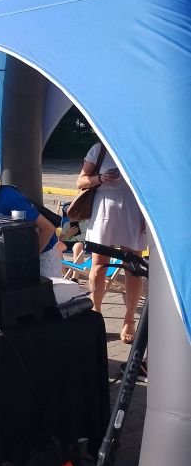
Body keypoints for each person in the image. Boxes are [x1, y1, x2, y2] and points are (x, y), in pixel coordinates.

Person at [76, 142, 146, 342]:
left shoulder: (139, 147)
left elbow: (151, 184)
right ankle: (96, 315)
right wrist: (100, 178)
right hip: (103, 210)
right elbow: (80, 181)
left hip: (133, 210)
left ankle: (129, 320)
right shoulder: (99, 149)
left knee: (133, 268)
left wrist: (147, 217)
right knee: (99, 266)